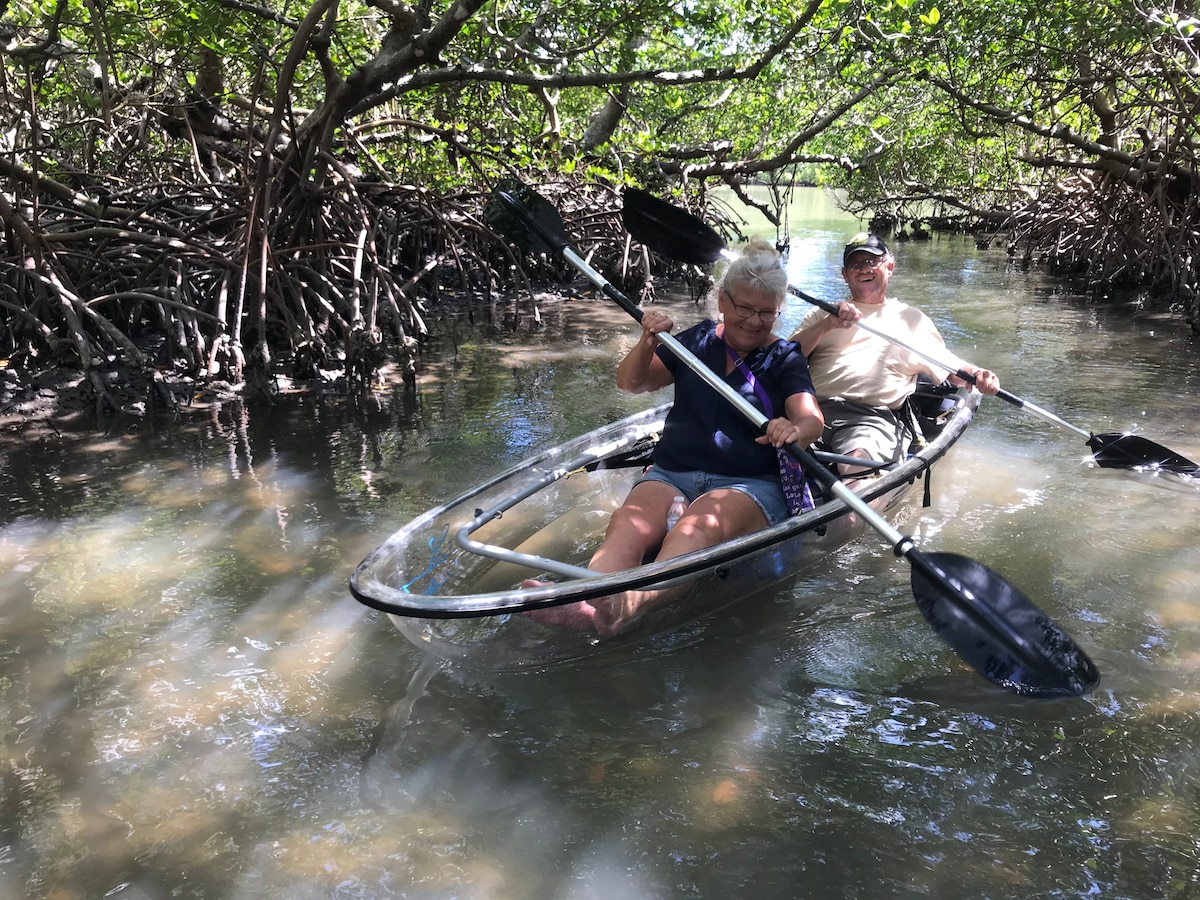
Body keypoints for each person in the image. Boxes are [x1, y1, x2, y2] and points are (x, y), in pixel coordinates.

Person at [526, 238, 824, 635]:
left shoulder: (783, 356)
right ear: (722, 300)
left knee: (696, 528)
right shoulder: (698, 340)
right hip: (673, 471)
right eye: (745, 308)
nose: (754, 321)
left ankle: (625, 606)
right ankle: (585, 597)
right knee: (627, 524)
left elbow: (812, 420)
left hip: (749, 483)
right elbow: (632, 383)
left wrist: (793, 428)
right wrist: (646, 340)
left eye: (766, 313)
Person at [790, 232, 1001, 476]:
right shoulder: (823, 313)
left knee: (856, 469)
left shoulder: (911, 320)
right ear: (845, 275)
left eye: (872, 262)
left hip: (869, 420)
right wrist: (826, 325)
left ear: (889, 267)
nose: (864, 269)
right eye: (855, 264)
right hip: (808, 411)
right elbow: (783, 358)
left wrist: (979, 375)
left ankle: (855, 502)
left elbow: (953, 369)